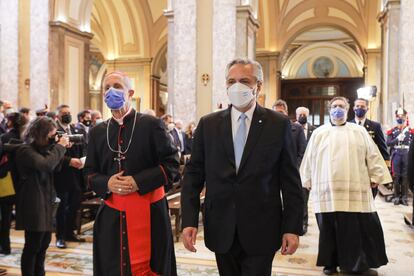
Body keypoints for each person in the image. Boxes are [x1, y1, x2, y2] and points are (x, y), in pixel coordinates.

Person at [181, 58, 304, 276]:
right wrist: (189, 220)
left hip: (262, 226)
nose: (237, 86)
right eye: (231, 81)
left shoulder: (278, 124)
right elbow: (193, 176)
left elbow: (290, 180)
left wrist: (292, 228)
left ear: (258, 86)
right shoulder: (208, 124)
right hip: (221, 225)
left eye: (244, 80)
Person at [84, 71, 179, 275]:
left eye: (117, 86)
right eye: (107, 87)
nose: (111, 91)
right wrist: (107, 183)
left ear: (130, 93)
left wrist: (138, 181)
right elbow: (90, 173)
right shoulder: (97, 132)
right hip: (112, 215)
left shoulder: (152, 125)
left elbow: (171, 166)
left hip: (151, 212)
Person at [300, 96, 391, 275]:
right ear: (329, 109)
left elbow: (372, 154)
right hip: (326, 191)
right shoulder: (319, 133)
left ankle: (354, 264)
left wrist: (376, 175)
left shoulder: (359, 131)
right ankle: (330, 263)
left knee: (354, 228)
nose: (337, 109)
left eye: (341, 106)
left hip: (354, 189)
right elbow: (309, 158)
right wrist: (306, 180)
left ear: (347, 109)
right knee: (328, 228)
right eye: (334, 106)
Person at [14, 117, 69, 276]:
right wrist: (59, 147)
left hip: (46, 200)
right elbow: (46, 165)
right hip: (32, 202)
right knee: (33, 246)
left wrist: (58, 147)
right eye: (50, 136)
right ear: (41, 133)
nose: (51, 138)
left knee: (44, 244)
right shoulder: (25, 150)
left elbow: (55, 167)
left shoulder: (41, 149)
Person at [54, 105, 86, 248]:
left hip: (77, 173)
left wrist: (83, 160)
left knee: (74, 204)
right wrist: (69, 161)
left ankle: (70, 232)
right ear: (57, 116)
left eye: (68, 112)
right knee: (62, 207)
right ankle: (60, 236)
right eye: (63, 113)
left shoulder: (75, 130)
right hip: (62, 174)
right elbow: (51, 152)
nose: (67, 115)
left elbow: (83, 147)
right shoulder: (53, 131)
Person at [350, 98, 390, 198]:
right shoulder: (348, 125)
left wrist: (384, 168)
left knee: (370, 197)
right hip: (353, 166)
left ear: (367, 108)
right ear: (353, 108)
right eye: (357, 106)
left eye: (362, 106)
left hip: (370, 167)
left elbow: (382, 147)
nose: (360, 108)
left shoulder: (375, 126)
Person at [0, 112, 26, 255]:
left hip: (6, 180)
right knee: (7, 215)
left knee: (4, 216)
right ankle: (6, 245)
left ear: (10, 122)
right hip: (20, 181)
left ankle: (4, 246)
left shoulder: (5, 137)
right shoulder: (25, 137)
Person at [386, 108, 414, 205]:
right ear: (396, 117)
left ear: (406, 116)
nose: (400, 117)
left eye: (402, 116)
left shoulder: (411, 131)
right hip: (396, 154)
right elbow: (388, 143)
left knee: (406, 176)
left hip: (407, 154)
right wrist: (397, 138)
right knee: (396, 176)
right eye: (398, 116)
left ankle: (405, 197)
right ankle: (397, 196)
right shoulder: (392, 131)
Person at [295, 106, 316, 234]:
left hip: (308, 169)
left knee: (304, 197)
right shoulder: (291, 128)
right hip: (295, 167)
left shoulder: (314, 130)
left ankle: (304, 223)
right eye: (300, 114)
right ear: (296, 115)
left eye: (304, 114)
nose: (302, 116)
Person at [272, 99, 306, 167]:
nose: (277, 115)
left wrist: (295, 167)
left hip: (291, 170)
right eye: (275, 112)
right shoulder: (269, 129)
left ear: (286, 112)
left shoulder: (298, 128)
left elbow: (302, 152)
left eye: (280, 112)